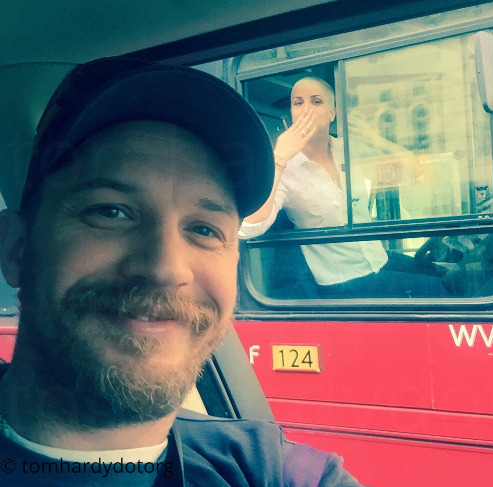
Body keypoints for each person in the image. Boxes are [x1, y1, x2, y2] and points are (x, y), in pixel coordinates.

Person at [0, 58, 362, 486]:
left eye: (205, 230)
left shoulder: (280, 473)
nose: (165, 269)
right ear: (16, 249)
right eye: (110, 211)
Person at [240, 76, 449, 298]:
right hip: (342, 284)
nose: (306, 109)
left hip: (380, 261)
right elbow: (248, 228)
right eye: (298, 103)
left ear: (332, 113)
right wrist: (279, 157)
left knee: (445, 279)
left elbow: (418, 171)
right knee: (439, 291)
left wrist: (376, 140)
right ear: (291, 113)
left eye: (316, 101)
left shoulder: (349, 150)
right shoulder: (285, 168)